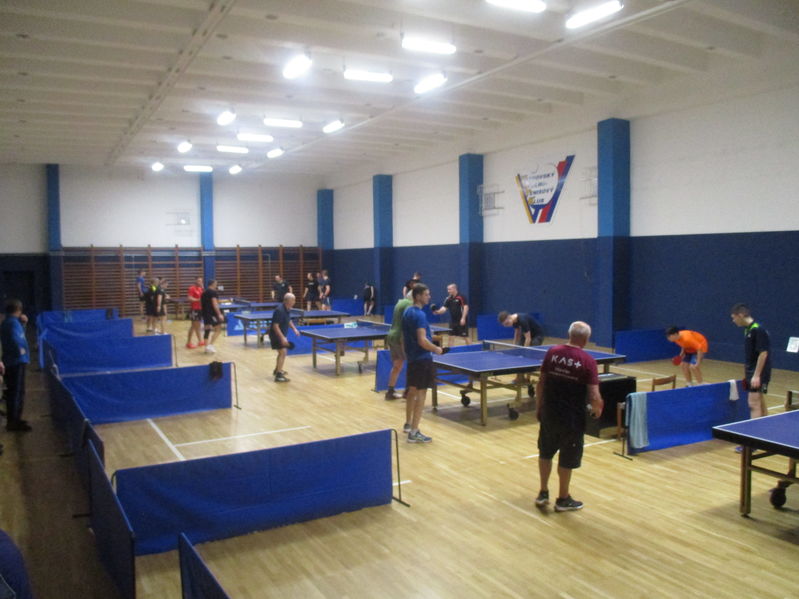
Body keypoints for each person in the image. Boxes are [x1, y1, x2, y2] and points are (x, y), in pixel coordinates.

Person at [535, 321, 603, 512]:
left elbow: (541, 383)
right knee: (567, 459)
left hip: (549, 414)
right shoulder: (588, 361)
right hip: (572, 420)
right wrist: (598, 409)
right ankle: (563, 499)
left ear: (569, 334)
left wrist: (539, 407)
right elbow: (594, 394)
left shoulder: (552, 352)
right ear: (586, 339)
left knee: (545, 453)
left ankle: (543, 492)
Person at [401, 283, 444, 443]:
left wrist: (408, 354)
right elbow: (422, 340)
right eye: (426, 294)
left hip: (413, 359)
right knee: (421, 395)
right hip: (422, 359)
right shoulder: (420, 315)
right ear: (418, 296)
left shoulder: (407, 311)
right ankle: (414, 432)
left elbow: (403, 337)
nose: (429, 297)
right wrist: (436, 349)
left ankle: (408, 424)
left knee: (412, 391)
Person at [730, 303, 771, 419]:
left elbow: (763, 353)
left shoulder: (757, 329)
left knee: (753, 403)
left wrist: (756, 376)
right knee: (759, 401)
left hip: (758, 373)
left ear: (741, 315)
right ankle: (764, 424)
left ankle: (756, 429)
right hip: (751, 372)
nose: (733, 321)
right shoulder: (748, 330)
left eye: (734, 317)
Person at [1, 299, 31, 432]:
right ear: (18, 310)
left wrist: (23, 324)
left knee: (16, 392)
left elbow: (20, 336)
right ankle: (13, 421)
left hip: (14, 361)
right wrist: (21, 352)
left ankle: (15, 419)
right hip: (15, 362)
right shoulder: (12, 323)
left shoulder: (11, 322)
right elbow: (15, 339)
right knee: (16, 392)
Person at [385, 291, 413, 400]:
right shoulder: (409, 304)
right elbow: (406, 323)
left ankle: (390, 392)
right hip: (400, 337)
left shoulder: (400, 302)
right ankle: (407, 391)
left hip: (392, 335)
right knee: (412, 364)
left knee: (397, 365)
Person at [269, 292, 300, 382]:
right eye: (293, 300)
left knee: (281, 352)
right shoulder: (279, 310)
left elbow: (288, 320)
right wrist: (282, 337)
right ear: (288, 300)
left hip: (280, 334)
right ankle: (278, 375)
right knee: (283, 352)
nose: (294, 302)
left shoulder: (287, 309)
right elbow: (275, 326)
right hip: (276, 334)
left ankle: (277, 370)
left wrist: (294, 329)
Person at [201, 280, 225, 353]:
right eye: (216, 284)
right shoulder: (213, 292)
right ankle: (210, 345)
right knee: (218, 329)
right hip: (212, 314)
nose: (216, 285)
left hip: (205, 313)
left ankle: (206, 348)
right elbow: (215, 304)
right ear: (213, 284)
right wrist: (219, 314)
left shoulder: (204, 292)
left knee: (207, 330)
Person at [186, 276, 204, 348]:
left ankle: (198, 341)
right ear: (195, 281)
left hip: (200, 309)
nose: (200, 282)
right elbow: (189, 298)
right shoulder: (192, 288)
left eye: (201, 281)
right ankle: (191, 342)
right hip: (194, 310)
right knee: (195, 327)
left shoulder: (201, 289)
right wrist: (198, 300)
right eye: (199, 281)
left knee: (195, 326)